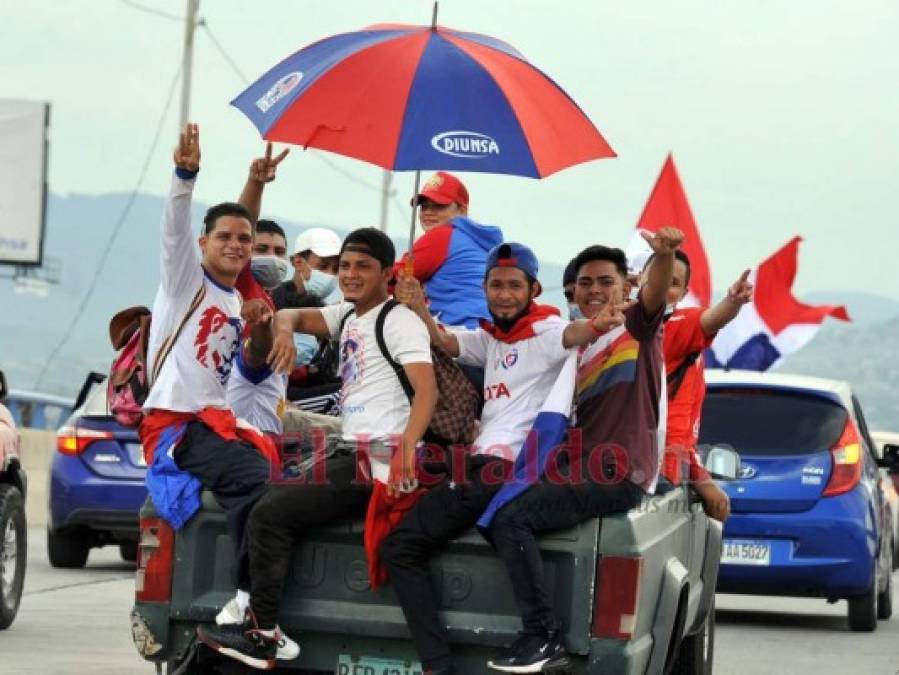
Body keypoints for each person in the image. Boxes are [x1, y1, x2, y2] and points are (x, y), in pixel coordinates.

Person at [197, 227, 437, 670]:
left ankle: (263, 633)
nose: (349, 274)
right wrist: (284, 330)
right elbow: (290, 316)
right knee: (267, 493)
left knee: (271, 512)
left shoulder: (398, 319)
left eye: (363, 266)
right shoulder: (348, 315)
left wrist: (407, 448)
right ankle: (251, 613)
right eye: (344, 265)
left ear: (387, 273)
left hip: (378, 459)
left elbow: (427, 391)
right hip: (351, 450)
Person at [384, 242, 628, 675]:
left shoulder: (545, 330)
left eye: (515, 286)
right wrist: (419, 306)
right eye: (495, 285)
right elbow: (448, 343)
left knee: (401, 548)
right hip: (480, 464)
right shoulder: (493, 338)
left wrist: (596, 325)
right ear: (485, 288)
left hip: (503, 468)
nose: (504, 294)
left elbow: (571, 335)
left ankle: (442, 663)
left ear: (534, 288)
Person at [479, 229, 683, 673]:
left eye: (606, 282)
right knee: (496, 503)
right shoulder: (579, 344)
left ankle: (543, 637)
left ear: (627, 287)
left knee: (511, 517)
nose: (595, 291)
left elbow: (655, 295)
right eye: (586, 283)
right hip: (577, 466)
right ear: (571, 290)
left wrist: (664, 256)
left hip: (616, 472)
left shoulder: (636, 327)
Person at [138, 124, 280, 651]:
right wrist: (185, 176)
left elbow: (241, 221)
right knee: (258, 480)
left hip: (215, 423)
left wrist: (262, 327)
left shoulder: (239, 298)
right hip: (177, 426)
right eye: (223, 237)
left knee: (282, 480)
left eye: (245, 240)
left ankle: (252, 603)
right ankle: (244, 602)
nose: (236, 245)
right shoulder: (185, 281)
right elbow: (175, 229)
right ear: (203, 244)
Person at [648, 250, 753, 521]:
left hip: (672, 472)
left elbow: (682, 436)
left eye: (673, 284)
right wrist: (731, 303)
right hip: (651, 478)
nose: (662, 289)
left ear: (683, 294)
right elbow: (712, 318)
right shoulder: (660, 330)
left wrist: (700, 477)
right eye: (657, 279)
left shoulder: (687, 340)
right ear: (639, 281)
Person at [394, 171, 504, 329]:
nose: (428, 212)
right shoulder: (478, 241)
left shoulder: (442, 235)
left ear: (462, 211)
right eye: (424, 206)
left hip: (459, 332)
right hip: (489, 332)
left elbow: (388, 278)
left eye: (439, 205)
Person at [271, 227, 342, 310]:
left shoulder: (327, 312)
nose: (330, 275)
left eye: (336, 269)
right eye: (323, 266)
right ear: (298, 262)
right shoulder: (272, 302)